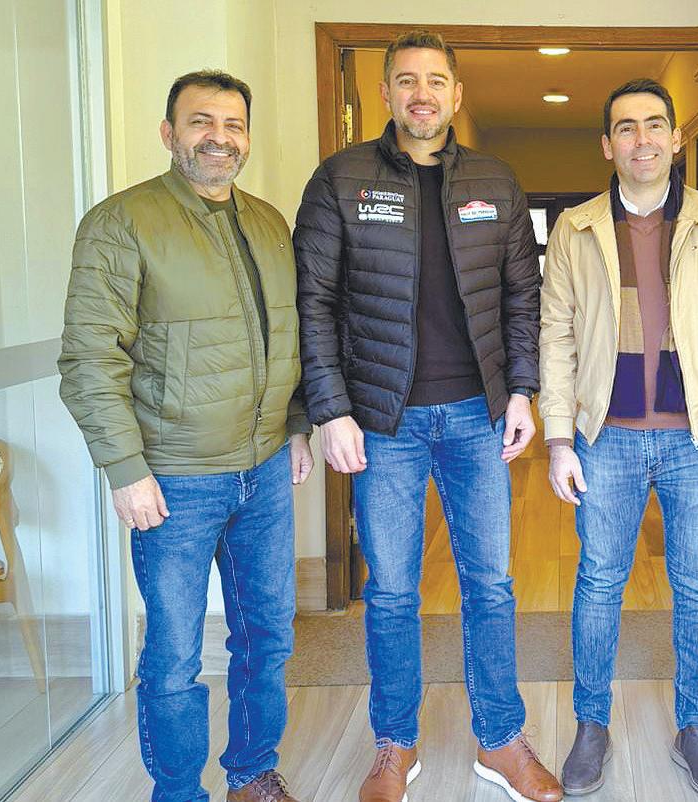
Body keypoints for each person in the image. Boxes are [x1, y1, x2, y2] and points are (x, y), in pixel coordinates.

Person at [292, 29, 562, 802]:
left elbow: (523, 297)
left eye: (436, 81)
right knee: (391, 591)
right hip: (383, 421)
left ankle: (500, 741)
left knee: (491, 585)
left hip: (478, 415)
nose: (422, 94)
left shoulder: (495, 181)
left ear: (456, 94)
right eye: (406, 80)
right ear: (385, 94)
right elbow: (313, 302)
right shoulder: (341, 178)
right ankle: (394, 744)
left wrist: (522, 391)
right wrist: (331, 409)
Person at [58, 70, 313, 802]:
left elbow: (291, 336)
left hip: (265, 468)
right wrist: (125, 467)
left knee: (268, 637)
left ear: (246, 138)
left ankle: (252, 773)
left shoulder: (267, 222)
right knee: (173, 655)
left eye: (233, 125)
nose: (218, 138)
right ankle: (177, 792)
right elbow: (89, 357)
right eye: (201, 122)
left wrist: (297, 425)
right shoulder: (122, 222)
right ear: (169, 133)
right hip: (173, 478)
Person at [539, 77, 698, 800]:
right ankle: (591, 725)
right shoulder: (577, 228)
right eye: (625, 127)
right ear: (607, 144)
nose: (641, 139)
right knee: (598, 582)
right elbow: (555, 338)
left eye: (653, 125)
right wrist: (558, 439)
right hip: (603, 437)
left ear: (675, 139)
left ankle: (694, 729)